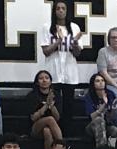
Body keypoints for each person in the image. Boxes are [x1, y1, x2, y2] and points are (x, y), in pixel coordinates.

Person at [40, 1, 83, 133]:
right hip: (53, 72)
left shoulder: (74, 27)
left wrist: (74, 45)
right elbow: (46, 51)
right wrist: (59, 40)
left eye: (63, 8)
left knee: (69, 105)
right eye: (58, 8)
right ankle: (56, 133)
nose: (60, 11)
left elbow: (77, 53)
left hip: (70, 73)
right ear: (54, 11)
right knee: (55, 105)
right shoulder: (47, 27)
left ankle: (67, 135)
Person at [27, 70, 65, 149]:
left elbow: (58, 117)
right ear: (37, 82)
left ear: (50, 81)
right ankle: (63, 147)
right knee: (50, 119)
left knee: (47, 131)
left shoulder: (56, 95)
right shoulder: (32, 96)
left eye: (47, 78)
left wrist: (52, 106)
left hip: (52, 128)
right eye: (41, 78)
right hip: (35, 128)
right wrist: (46, 105)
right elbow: (33, 118)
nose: (44, 80)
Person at [82, 72, 117, 147]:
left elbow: (112, 117)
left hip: (107, 124)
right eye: (97, 81)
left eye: (102, 80)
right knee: (99, 120)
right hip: (91, 126)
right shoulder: (89, 96)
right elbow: (92, 117)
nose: (101, 82)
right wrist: (104, 105)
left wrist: (113, 108)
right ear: (93, 84)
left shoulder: (110, 94)